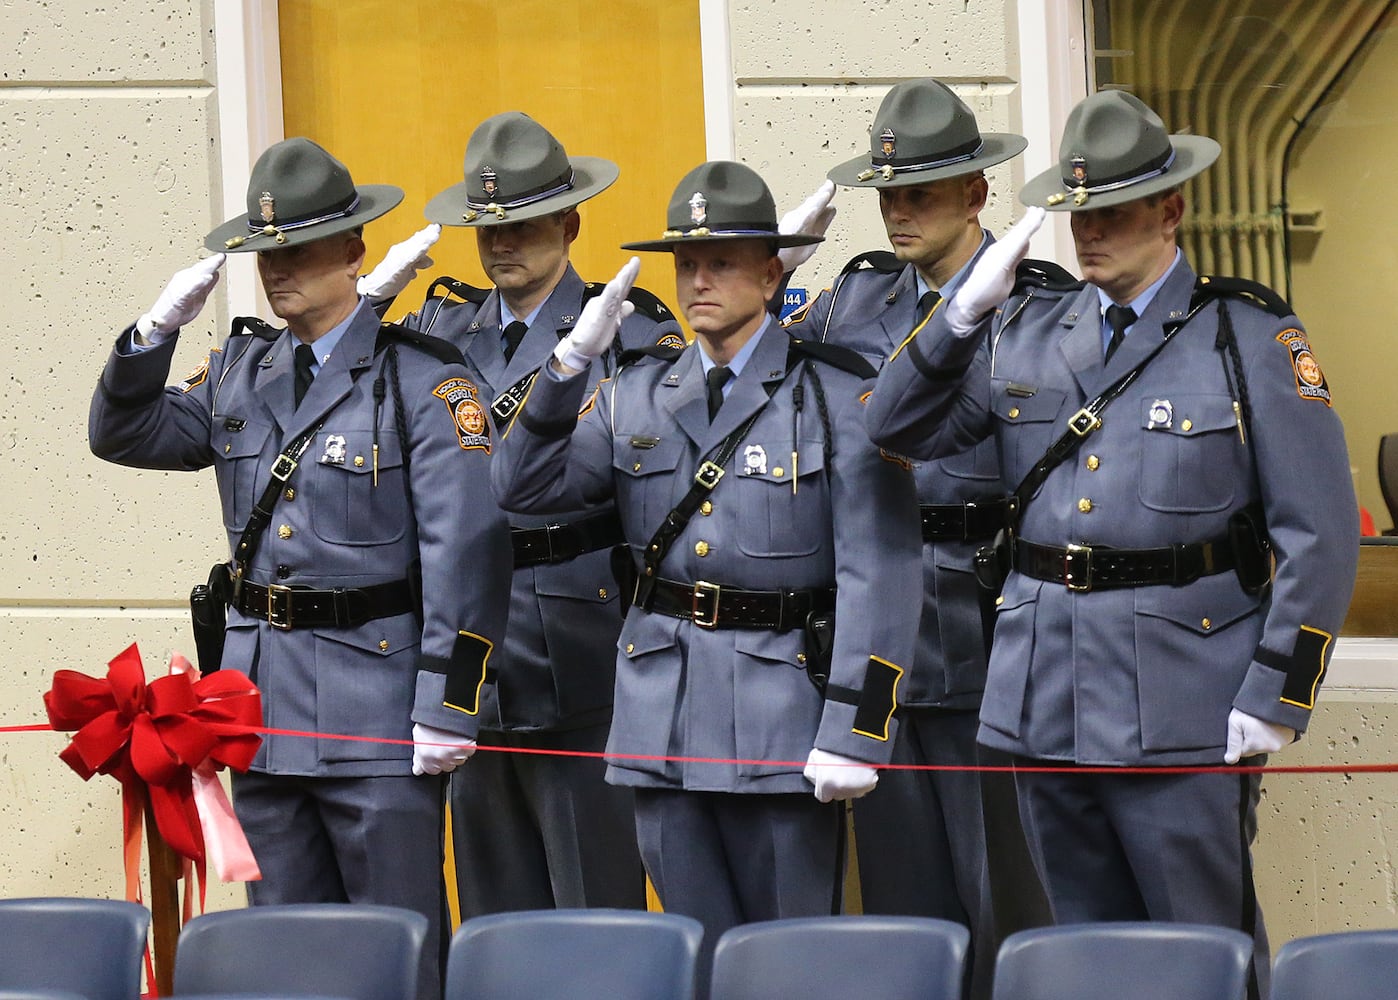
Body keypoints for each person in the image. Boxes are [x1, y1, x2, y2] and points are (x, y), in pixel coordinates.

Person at [865, 90, 1359, 998]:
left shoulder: (1244, 334)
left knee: (1202, 951)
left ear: (1170, 210)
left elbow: (1321, 534)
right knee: (1084, 961)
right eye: (1077, 212)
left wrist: (1278, 692)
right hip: (1046, 698)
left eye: (1116, 213)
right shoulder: (1029, 334)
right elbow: (892, 429)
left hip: (1188, 699)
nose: (1089, 235)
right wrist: (960, 319)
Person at [88, 137, 512, 1000]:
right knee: (286, 953)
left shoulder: (423, 381)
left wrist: (447, 703)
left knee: (397, 946)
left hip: (379, 708)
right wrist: (150, 337)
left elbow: (467, 552)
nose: (278, 270)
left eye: (301, 249)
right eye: (266, 252)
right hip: (264, 711)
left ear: (353, 249)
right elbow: (124, 435)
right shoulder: (242, 375)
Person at [491, 160, 921, 993]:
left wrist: (856, 729)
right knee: (694, 957)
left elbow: (881, 571)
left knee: (789, 963)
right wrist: (564, 372)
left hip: (782, 719)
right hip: (664, 720)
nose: (698, 281)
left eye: (721, 262)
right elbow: (519, 489)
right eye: (687, 264)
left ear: (771, 271)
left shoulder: (835, 394)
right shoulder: (636, 393)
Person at [361, 111, 687, 919]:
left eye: (523, 224)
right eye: (487, 226)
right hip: (466, 642)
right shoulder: (438, 329)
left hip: (577, 635)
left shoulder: (629, 330)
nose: (502, 243)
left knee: (592, 903)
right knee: (492, 900)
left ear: (570, 222)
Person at [786, 77, 1045, 998]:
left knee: (1008, 901)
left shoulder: (1032, 303)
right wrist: (774, 262)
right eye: (889, 194)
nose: (898, 212)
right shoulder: (854, 299)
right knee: (902, 904)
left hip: (991, 624)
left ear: (977, 194)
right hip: (876, 633)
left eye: (921, 194)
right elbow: (753, 376)